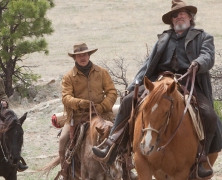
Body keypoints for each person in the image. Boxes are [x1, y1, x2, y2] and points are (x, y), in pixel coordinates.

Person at [92, 0, 222, 179]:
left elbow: (208, 55)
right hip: (159, 80)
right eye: (175, 14)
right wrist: (134, 85)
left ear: (191, 16)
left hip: (187, 82)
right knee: (128, 101)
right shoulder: (164, 38)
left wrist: (198, 63)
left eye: (183, 13)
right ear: (172, 20)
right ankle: (113, 143)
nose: (179, 16)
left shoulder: (203, 37)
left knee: (209, 114)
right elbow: (148, 64)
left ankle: (201, 157)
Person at [58, 42, 117, 179]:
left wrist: (102, 106)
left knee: (119, 137)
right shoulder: (68, 77)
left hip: (102, 115)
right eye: (79, 55)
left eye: (84, 54)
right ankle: (65, 172)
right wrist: (80, 103)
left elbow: (112, 92)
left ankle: (126, 167)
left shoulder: (102, 72)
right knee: (63, 141)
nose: (82, 57)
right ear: (75, 58)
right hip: (78, 116)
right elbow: (66, 97)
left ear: (89, 55)